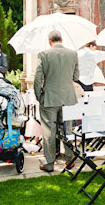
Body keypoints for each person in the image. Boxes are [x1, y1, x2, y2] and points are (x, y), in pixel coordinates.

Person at [34, 30, 79, 172]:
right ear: (62, 39)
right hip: (68, 97)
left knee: (49, 131)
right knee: (68, 129)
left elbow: (37, 79)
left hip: (50, 97)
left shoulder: (44, 54)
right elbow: (76, 77)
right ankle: (69, 158)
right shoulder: (73, 54)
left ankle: (50, 162)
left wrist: (38, 96)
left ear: (49, 41)